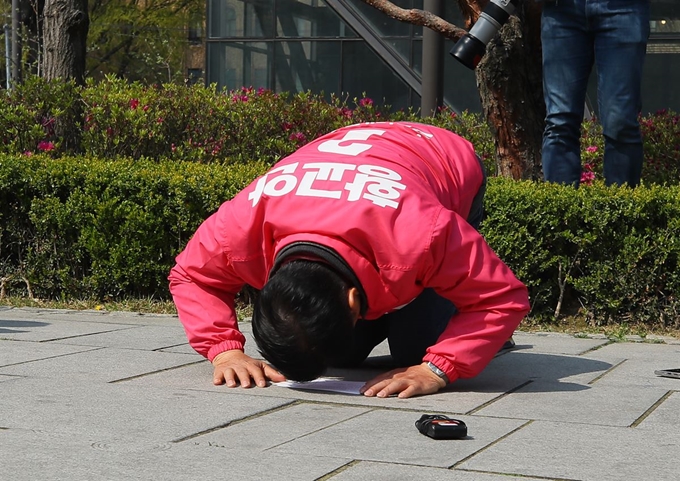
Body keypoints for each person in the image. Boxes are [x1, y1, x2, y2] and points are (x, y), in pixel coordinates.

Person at [169, 121, 530, 399]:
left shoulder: (422, 233)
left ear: (353, 300)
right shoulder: (243, 226)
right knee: (337, 353)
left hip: (441, 153)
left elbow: (500, 297)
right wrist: (224, 351)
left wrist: (439, 367)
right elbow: (192, 275)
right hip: (355, 161)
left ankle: (477, 335)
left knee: (417, 349)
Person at [540, 0, 651, 187]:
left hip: (623, 7)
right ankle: (561, 213)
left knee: (620, 122)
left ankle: (621, 213)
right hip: (560, 10)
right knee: (559, 121)